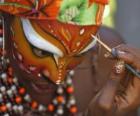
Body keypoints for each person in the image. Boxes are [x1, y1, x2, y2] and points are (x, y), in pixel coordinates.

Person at [0, 0, 140, 116]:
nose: (57, 79)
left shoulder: (105, 59)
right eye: (41, 51)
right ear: (5, 17)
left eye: (77, 53)